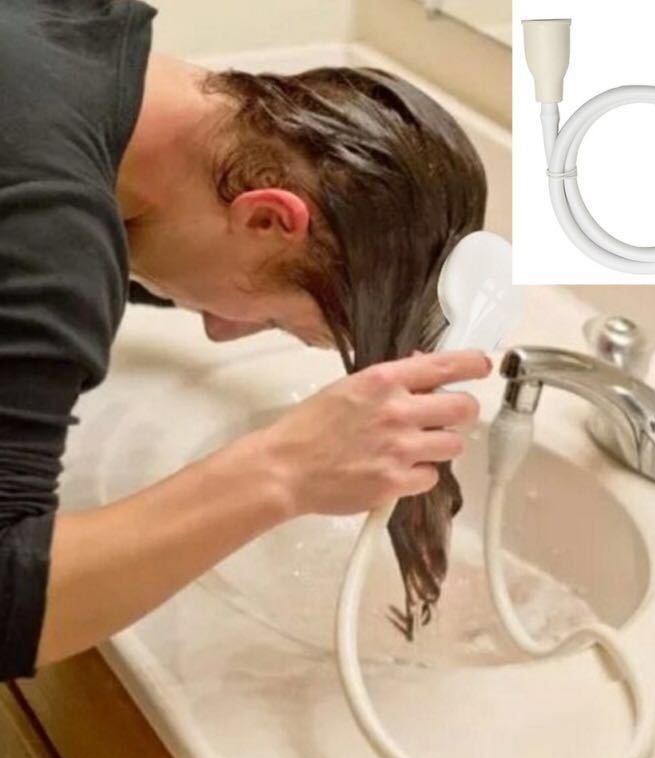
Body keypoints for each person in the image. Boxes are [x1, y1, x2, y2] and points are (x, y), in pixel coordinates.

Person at [0, 0, 490, 681]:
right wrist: (285, 470)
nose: (219, 329)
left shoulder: (76, 39)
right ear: (266, 219)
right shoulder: (50, 224)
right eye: (275, 321)